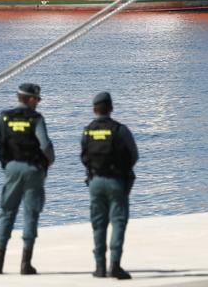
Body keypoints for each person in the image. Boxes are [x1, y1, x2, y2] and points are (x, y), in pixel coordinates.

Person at [0, 83, 55, 276]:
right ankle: (26, 264)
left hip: (12, 168)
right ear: (32, 99)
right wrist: (49, 161)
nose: (39, 103)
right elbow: (45, 144)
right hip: (33, 169)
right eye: (38, 99)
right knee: (31, 213)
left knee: (7, 212)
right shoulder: (36, 118)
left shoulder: (5, 117)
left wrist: (6, 164)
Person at [81, 92, 138, 280]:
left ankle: (99, 267)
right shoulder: (120, 130)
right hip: (116, 181)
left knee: (98, 224)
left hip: (95, 182)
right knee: (118, 222)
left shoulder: (88, 130)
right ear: (111, 108)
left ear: (94, 109)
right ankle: (114, 265)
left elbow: (83, 156)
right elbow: (134, 155)